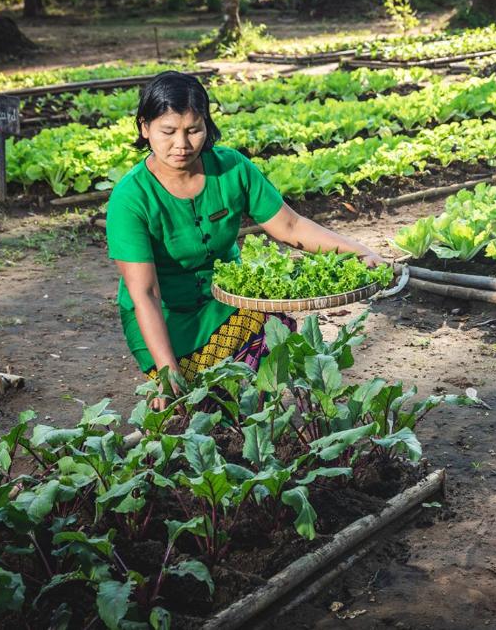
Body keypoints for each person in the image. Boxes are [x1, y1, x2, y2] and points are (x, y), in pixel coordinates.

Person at [106, 71, 386, 409]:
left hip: (226, 302)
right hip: (164, 317)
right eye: (168, 131)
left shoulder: (231, 168)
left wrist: (359, 252)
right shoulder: (130, 198)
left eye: (193, 130)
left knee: (275, 327)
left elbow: (291, 226)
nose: (181, 144)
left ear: (207, 127)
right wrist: (167, 373)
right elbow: (145, 293)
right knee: (191, 402)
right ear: (144, 128)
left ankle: (247, 414)